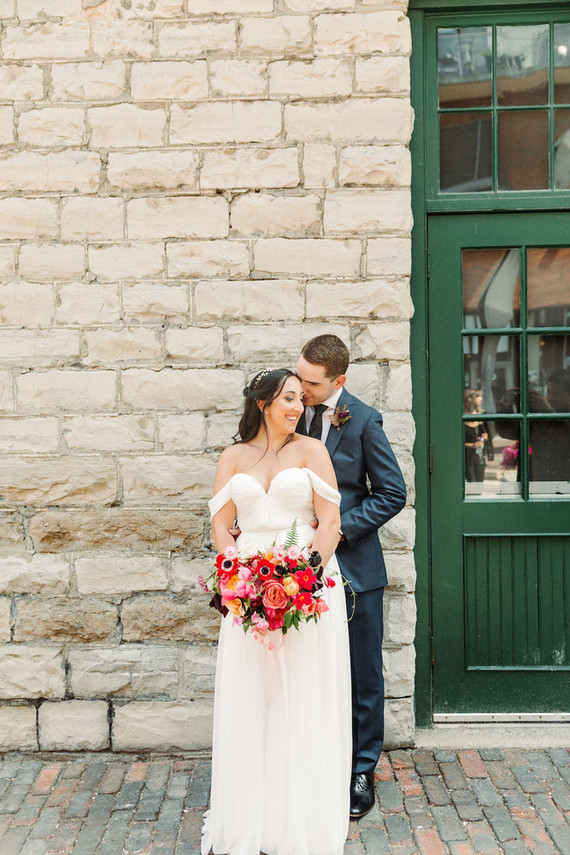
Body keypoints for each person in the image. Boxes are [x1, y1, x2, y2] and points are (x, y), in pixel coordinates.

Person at [202, 368, 351, 855]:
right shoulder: (233, 456)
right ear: (263, 403)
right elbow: (223, 527)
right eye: (288, 399)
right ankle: (251, 814)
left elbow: (330, 521)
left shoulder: (313, 451)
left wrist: (303, 577)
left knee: (300, 695)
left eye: (300, 400)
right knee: (254, 698)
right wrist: (237, 581)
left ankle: (299, 815)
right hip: (247, 594)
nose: (297, 407)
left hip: (307, 587)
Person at [296, 335, 406, 820]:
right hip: (297, 565)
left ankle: (362, 770)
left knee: (364, 674)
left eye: (312, 383)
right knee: (311, 668)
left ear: (340, 380)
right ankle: (314, 761)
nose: (301, 389)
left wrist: (338, 531)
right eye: (298, 376)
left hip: (355, 567)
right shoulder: (288, 411)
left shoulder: (362, 420)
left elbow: (391, 493)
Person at [463, 389, 488, 482]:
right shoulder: (462, 416)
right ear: (469, 399)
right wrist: (472, 445)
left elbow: (486, 434)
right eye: (477, 396)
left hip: (479, 456)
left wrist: (485, 437)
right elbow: (458, 441)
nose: (481, 399)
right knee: (472, 483)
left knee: (479, 483)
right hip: (467, 457)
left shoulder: (482, 415)